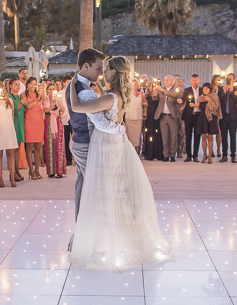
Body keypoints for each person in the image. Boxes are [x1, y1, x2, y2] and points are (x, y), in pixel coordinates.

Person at [67, 55, 170, 269]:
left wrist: (71, 88)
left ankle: (105, 242)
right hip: (116, 143)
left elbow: (77, 107)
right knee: (116, 190)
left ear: (114, 72)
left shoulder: (109, 98)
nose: (103, 72)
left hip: (107, 144)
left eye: (106, 69)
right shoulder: (117, 95)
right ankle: (117, 238)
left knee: (104, 192)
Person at [65, 48, 126, 235]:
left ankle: (82, 233)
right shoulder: (84, 93)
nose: (101, 72)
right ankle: (92, 234)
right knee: (96, 188)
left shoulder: (78, 87)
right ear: (86, 66)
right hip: (85, 143)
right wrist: (121, 128)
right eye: (98, 68)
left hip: (79, 140)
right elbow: (100, 123)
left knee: (83, 189)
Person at [0, 80, 19, 188]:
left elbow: (11, 116)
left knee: (11, 154)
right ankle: (0, 178)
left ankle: (12, 178)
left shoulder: (10, 101)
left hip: (9, 129)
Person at [148, 75, 181, 163]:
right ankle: (165, 155)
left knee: (173, 136)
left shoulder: (175, 89)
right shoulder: (161, 89)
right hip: (162, 116)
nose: (166, 81)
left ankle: (172, 155)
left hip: (172, 116)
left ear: (172, 81)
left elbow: (173, 95)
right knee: (164, 137)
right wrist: (155, 93)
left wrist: (162, 90)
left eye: (167, 80)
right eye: (165, 80)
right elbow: (155, 98)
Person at [22, 77, 46, 179]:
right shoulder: (24, 94)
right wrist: (37, 100)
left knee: (38, 146)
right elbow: (28, 106)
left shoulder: (38, 94)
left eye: (35, 84)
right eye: (31, 84)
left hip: (39, 121)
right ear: (27, 84)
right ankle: (31, 170)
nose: (33, 86)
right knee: (29, 146)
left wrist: (44, 89)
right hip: (29, 121)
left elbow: (44, 99)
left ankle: (37, 169)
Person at [43, 81, 67, 177]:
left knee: (59, 144)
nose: (52, 91)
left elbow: (63, 109)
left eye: (53, 89)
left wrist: (59, 101)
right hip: (49, 121)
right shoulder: (45, 99)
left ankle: (59, 170)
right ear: (47, 91)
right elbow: (44, 109)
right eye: (50, 89)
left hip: (57, 121)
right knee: (50, 145)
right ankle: (51, 171)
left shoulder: (58, 98)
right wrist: (50, 108)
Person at [6, 77, 26, 182]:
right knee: (12, 151)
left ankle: (17, 170)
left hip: (20, 124)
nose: (18, 87)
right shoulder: (9, 97)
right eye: (15, 85)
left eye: (19, 85)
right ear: (10, 86)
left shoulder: (18, 97)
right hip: (13, 124)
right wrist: (21, 103)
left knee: (18, 149)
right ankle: (12, 173)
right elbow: (14, 111)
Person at [180, 74, 203, 162]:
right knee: (188, 135)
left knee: (197, 135)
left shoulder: (201, 91)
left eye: (196, 80)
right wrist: (180, 101)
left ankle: (195, 155)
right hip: (189, 116)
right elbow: (182, 99)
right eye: (193, 80)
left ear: (199, 80)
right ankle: (189, 155)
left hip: (198, 116)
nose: (194, 82)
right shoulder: (187, 90)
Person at [218, 74, 237, 163]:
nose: (229, 80)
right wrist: (224, 92)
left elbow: (236, 100)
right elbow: (219, 100)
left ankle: (233, 155)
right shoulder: (221, 88)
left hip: (233, 116)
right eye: (228, 79)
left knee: (233, 136)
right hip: (223, 115)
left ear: (234, 80)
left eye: (231, 79)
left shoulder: (236, 88)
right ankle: (224, 155)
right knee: (224, 136)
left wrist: (232, 91)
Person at [198, 82, 220, 164]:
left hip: (211, 118)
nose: (205, 90)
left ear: (210, 89)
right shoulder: (201, 97)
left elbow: (216, 107)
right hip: (202, 118)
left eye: (206, 89)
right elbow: (198, 105)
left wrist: (209, 100)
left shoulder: (214, 96)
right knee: (203, 137)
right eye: (204, 89)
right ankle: (204, 155)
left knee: (210, 137)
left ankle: (210, 155)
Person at [124, 78, 144, 156]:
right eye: (132, 84)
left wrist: (142, 95)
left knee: (138, 136)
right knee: (130, 135)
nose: (134, 86)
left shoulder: (140, 93)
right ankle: (130, 153)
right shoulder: (127, 94)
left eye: (135, 84)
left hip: (138, 117)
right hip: (129, 117)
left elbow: (144, 102)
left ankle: (137, 152)